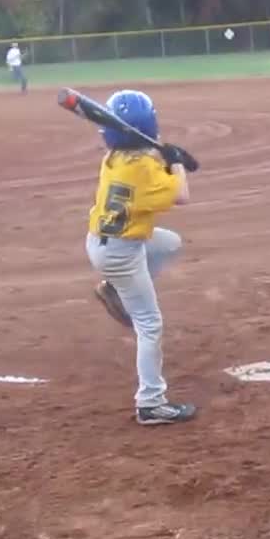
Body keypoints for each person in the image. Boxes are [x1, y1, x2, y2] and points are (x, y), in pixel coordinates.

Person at [86, 90, 201, 426]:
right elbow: (182, 195)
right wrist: (177, 162)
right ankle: (151, 403)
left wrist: (165, 154)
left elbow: (144, 156)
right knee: (150, 325)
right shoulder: (146, 174)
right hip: (122, 254)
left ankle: (112, 288)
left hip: (101, 244)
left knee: (169, 243)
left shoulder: (112, 159)